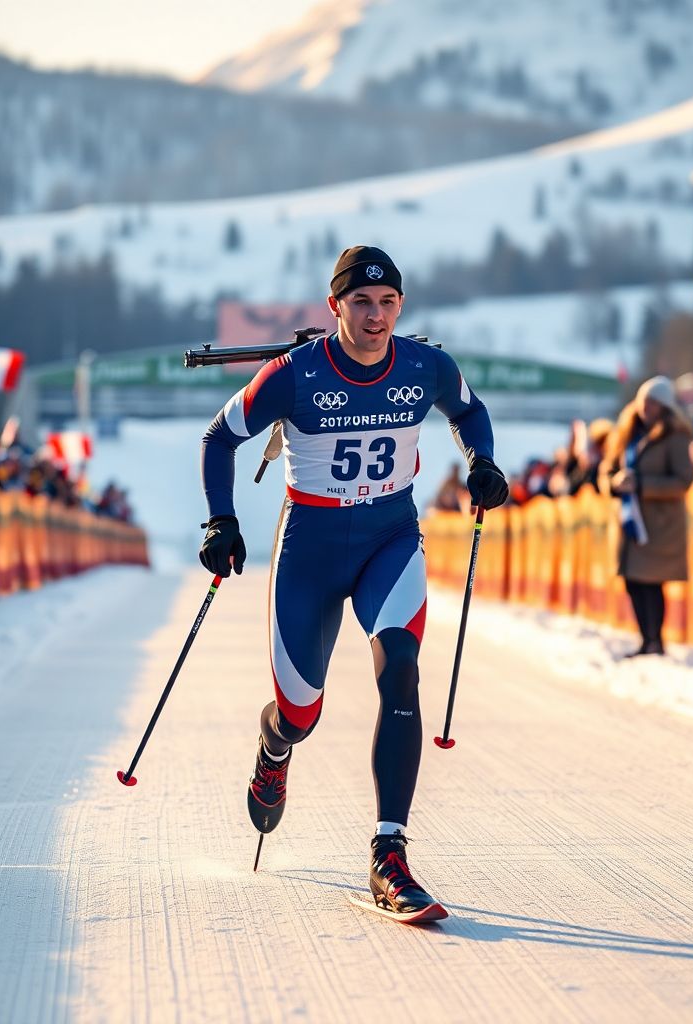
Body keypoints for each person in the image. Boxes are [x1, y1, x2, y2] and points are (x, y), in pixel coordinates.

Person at [199, 245, 508, 917]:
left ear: (402, 305)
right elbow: (219, 438)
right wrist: (221, 521)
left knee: (401, 666)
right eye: (361, 303)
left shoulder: (426, 365)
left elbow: (468, 411)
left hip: (389, 538)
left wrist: (483, 460)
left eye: (389, 303)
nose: (376, 317)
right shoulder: (293, 375)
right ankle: (275, 743)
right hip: (310, 545)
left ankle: (388, 853)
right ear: (334, 305)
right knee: (301, 715)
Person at [599, 376, 693, 657]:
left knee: (651, 582)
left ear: (665, 406)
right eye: (643, 401)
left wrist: (642, 485)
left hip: (659, 525)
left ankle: (655, 640)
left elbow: (682, 481)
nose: (646, 407)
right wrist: (615, 484)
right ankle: (645, 639)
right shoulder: (627, 433)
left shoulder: (676, 435)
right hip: (629, 523)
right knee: (632, 581)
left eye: (653, 402)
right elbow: (606, 470)